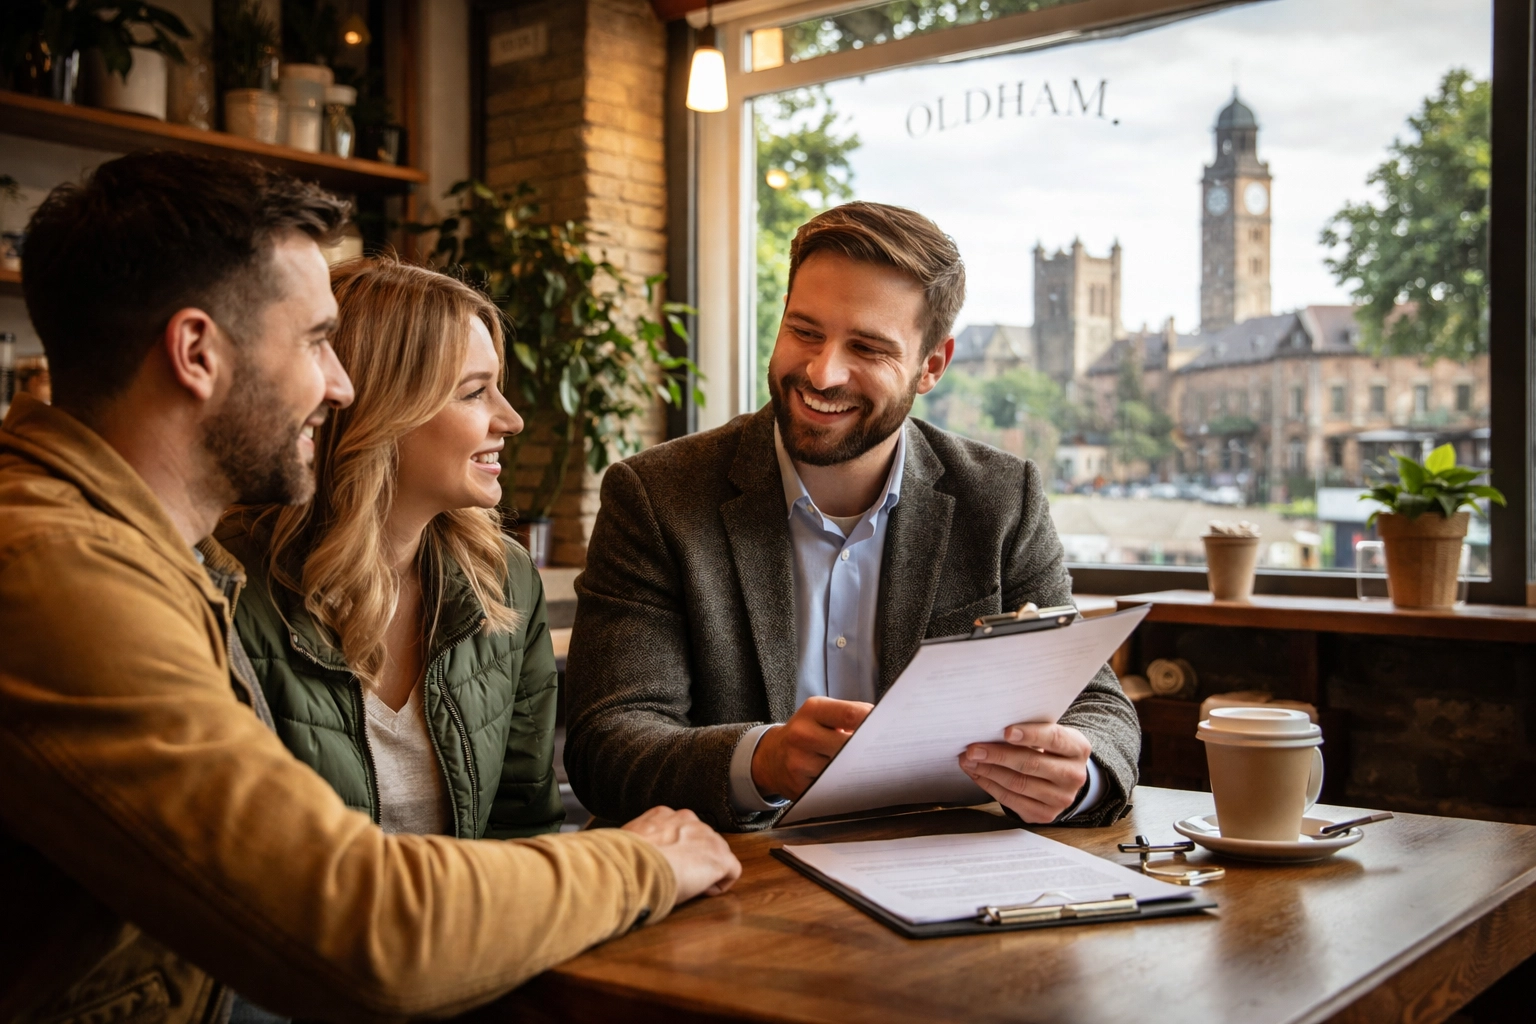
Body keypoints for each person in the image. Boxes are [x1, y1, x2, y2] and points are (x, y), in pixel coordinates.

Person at [0, 151, 738, 1024]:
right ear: (196, 352)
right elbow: (359, 921)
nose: (341, 383)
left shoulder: (151, 553)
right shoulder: (57, 572)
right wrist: (644, 861)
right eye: (316, 341)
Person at [564, 201, 1140, 832]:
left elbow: (1099, 707)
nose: (821, 372)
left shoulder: (1001, 499)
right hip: (725, 881)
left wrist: (1076, 778)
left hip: (937, 877)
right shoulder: (655, 495)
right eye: (804, 331)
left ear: (933, 366)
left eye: (866, 346)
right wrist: (762, 761)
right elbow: (606, 747)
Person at [218, 256, 564, 841]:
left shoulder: (505, 581)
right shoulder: (228, 586)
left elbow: (523, 831)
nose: (512, 419)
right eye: (475, 392)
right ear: (380, 410)